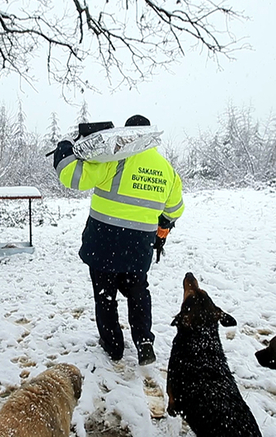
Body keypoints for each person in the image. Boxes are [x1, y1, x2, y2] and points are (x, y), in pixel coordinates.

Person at [52, 114, 184, 365]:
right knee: (138, 292)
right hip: (139, 246)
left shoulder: (115, 157)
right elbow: (175, 209)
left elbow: (74, 177)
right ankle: (144, 341)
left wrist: (64, 150)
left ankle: (113, 346)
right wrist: (162, 225)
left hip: (104, 241)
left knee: (105, 295)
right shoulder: (167, 170)